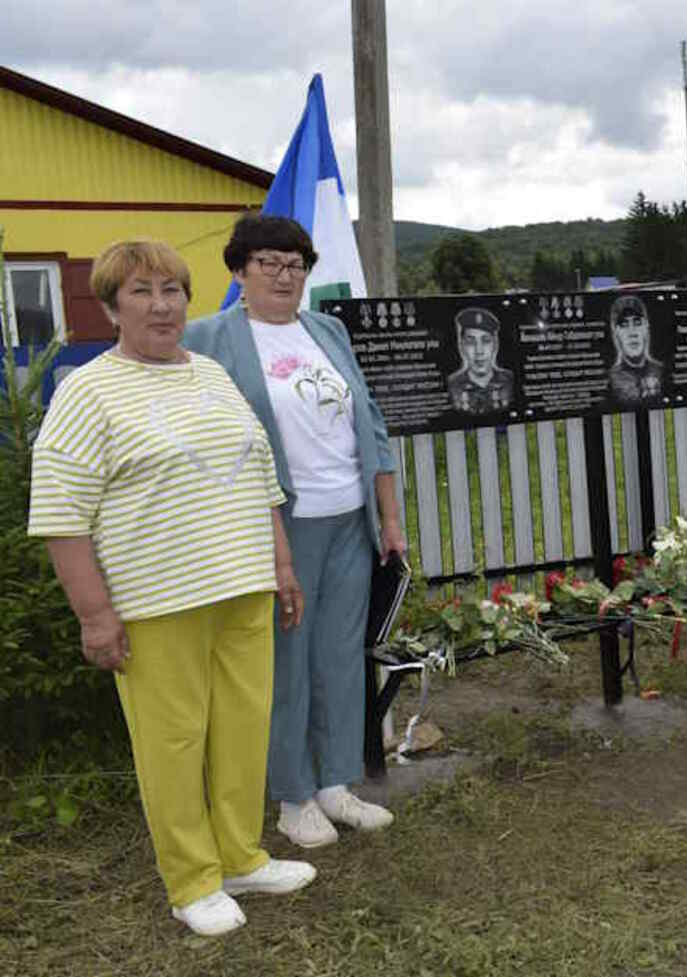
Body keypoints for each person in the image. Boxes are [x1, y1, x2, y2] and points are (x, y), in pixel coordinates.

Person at [29, 240, 315, 936]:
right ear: (109, 307)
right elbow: (62, 514)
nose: (161, 305)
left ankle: (241, 854)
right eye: (141, 292)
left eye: (172, 291)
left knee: (245, 732)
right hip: (157, 604)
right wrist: (95, 616)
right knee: (174, 741)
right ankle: (192, 880)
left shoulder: (212, 375)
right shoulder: (86, 392)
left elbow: (261, 478)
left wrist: (279, 567)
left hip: (242, 589)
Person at [185, 214, 407, 849]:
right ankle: (292, 795)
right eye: (268, 263)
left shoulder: (327, 330)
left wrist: (389, 518)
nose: (285, 276)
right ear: (239, 270)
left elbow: (373, 426)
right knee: (285, 663)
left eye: (295, 264)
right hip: (274, 528)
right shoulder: (209, 339)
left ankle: (336, 783)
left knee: (340, 656)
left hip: (348, 520)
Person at [445, 306, 515, 413]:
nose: (479, 351)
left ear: (495, 345)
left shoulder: (509, 380)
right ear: (462, 346)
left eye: (486, 341)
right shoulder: (453, 384)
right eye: (471, 342)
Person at [607, 294, 665, 404]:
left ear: (646, 326)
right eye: (624, 325)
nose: (632, 332)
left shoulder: (661, 371)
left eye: (637, 323)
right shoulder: (610, 379)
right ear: (616, 331)